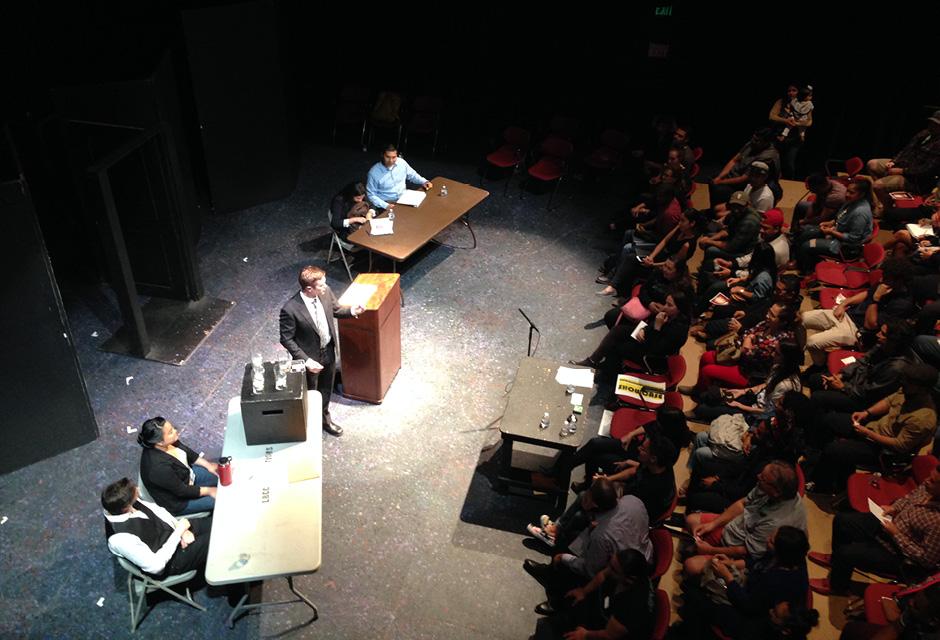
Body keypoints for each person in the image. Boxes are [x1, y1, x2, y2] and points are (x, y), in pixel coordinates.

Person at [523, 479, 653, 614]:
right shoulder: (633, 500)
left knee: (568, 557)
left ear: (593, 504)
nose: (585, 493)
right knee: (575, 529)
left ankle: (559, 602)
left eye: (589, 492)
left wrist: (563, 557)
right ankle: (550, 571)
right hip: (640, 552)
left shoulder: (602, 536)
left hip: (625, 572)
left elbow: (589, 570)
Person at [809, 462, 940, 596]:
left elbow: (926, 560)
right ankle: (836, 561)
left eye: (933, 481)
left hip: (898, 553)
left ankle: (837, 587)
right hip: (889, 525)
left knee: (846, 553)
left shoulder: (937, 522)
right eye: (929, 477)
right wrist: (894, 508)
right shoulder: (927, 487)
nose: (926, 481)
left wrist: (896, 534)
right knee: (842, 520)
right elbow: (908, 498)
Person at [806, 363, 938, 494]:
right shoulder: (908, 391)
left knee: (834, 449)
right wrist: (867, 413)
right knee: (828, 421)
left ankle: (823, 486)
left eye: (908, 381)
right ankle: (820, 462)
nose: (903, 382)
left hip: (883, 451)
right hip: (873, 428)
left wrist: (868, 433)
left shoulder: (923, 418)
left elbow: (900, 445)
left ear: (923, 389)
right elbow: (889, 401)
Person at [279, 265, 364, 436]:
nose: (325, 287)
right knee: (311, 392)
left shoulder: (325, 293)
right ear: (309, 288)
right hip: (310, 359)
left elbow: (337, 309)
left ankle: (325, 419)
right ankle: (308, 424)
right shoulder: (290, 309)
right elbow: (286, 339)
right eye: (321, 285)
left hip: (328, 351)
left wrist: (352, 311)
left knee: (325, 388)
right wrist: (306, 361)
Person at [683, 461, 807, 577]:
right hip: (738, 528)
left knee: (691, 566)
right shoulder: (768, 486)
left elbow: (746, 551)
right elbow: (743, 504)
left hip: (744, 553)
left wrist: (710, 550)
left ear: (776, 492)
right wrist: (713, 524)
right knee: (691, 520)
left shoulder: (776, 523)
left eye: (763, 478)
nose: (758, 477)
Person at [531, 549, 656, 640]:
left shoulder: (632, 605)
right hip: (606, 612)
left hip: (610, 632)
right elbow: (604, 574)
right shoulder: (628, 571)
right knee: (573, 600)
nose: (608, 568)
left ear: (629, 579)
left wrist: (585, 635)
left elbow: (609, 635)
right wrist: (584, 591)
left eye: (614, 569)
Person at [102, 477, 211, 578]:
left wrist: (180, 529)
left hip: (176, 529)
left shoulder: (124, 504)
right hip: (172, 560)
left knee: (219, 523)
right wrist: (178, 533)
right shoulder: (120, 539)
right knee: (220, 539)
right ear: (126, 507)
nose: (138, 489)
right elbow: (156, 567)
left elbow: (159, 512)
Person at [138, 416, 218, 516]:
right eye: (171, 432)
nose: (176, 431)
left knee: (223, 474)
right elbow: (182, 491)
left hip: (186, 475)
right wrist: (209, 491)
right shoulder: (158, 468)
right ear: (159, 442)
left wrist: (208, 465)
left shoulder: (169, 442)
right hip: (180, 501)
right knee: (224, 499)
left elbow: (187, 452)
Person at [867, 110, 940, 215]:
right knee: (872, 164)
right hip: (903, 166)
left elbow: (927, 170)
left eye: (936, 124)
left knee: (878, 186)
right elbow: (906, 150)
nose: (932, 126)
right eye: (932, 122)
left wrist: (902, 171)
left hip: (914, 179)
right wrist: (894, 161)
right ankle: (884, 199)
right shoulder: (924, 134)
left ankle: (887, 210)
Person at [795, 177, 873, 272]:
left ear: (861, 195)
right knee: (806, 233)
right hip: (837, 232)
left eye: (852, 193)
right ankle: (802, 261)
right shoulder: (851, 201)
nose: (847, 194)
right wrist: (831, 223)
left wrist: (831, 232)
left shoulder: (860, 213)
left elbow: (854, 238)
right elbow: (840, 216)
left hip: (847, 248)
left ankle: (807, 272)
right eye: (847, 191)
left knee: (807, 245)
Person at [365, 143, 432, 210]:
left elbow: (412, 175)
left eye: (394, 157)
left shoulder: (401, 163)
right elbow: (371, 195)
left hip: (404, 198)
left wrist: (424, 181)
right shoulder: (373, 173)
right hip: (387, 202)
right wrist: (386, 205)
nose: (391, 161)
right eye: (388, 157)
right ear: (382, 155)